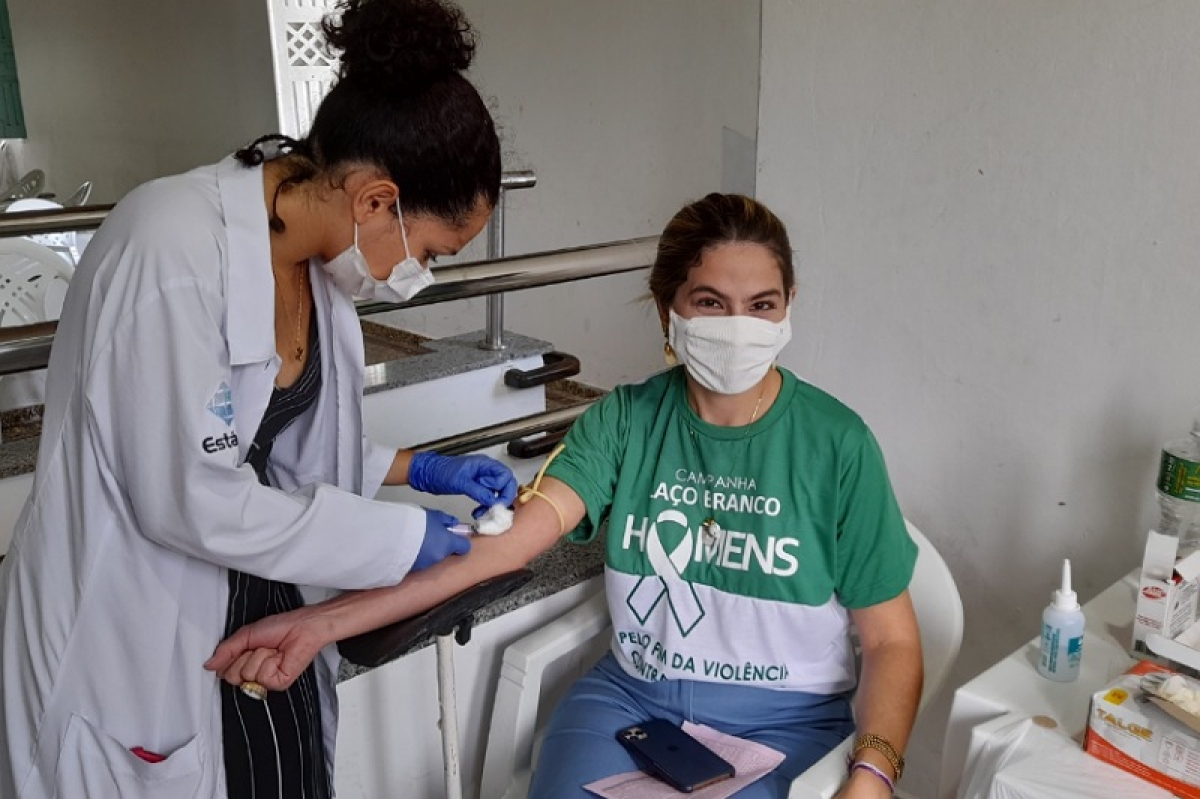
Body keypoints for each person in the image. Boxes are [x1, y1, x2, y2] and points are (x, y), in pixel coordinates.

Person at [205, 193, 923, 798]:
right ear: (668, 308)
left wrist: (874, 771)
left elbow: (891, 640)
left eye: (760, 303)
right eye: (711, 302)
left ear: (788, 305)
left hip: (786, 723)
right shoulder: (625, 420)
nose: (738, 326)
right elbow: (501, 550)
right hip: (635, 701)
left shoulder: (837, 445)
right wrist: (319, 625)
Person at [0, 1, 517, 797]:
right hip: (140, 629)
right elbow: (189, 494)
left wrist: (422, 469)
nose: (424, 275)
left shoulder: (321, 267)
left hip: (259, 606)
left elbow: (276, 446)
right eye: (434, 252)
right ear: (377, 201)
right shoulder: (170, 250)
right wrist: (397, 538)